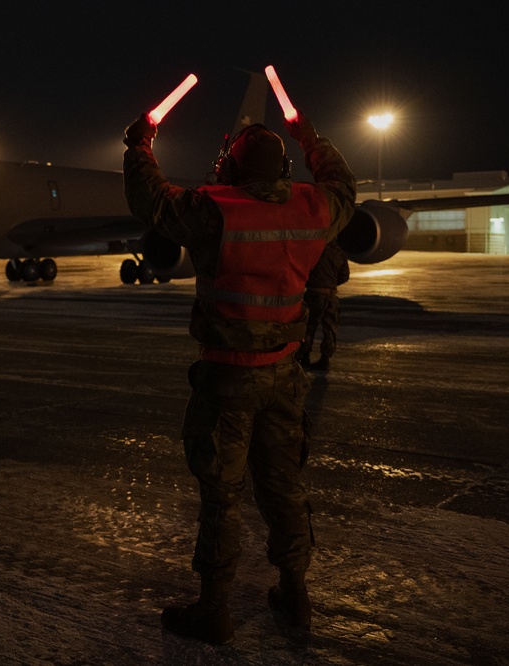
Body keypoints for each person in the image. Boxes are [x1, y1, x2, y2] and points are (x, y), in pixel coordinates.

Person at [123, 109, 356, 645]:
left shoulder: (215, 210)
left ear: (232, 166)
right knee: (284, 488)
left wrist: (140, 146)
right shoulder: (313, 206)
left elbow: (152, 201)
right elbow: (344, 183)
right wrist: (312, 139)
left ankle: (215, 609)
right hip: (284, 375)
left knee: (221, 498)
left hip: (227, 381)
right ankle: (296, 595)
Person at [298, 240, 350, 372]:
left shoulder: (315, 248)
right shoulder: (339, 252)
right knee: (330, 329)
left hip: (314, 294)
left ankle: (304, 356)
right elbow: (344, 276)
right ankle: (325, 359)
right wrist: (330, 283)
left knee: (309, 327)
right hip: (331, 295)